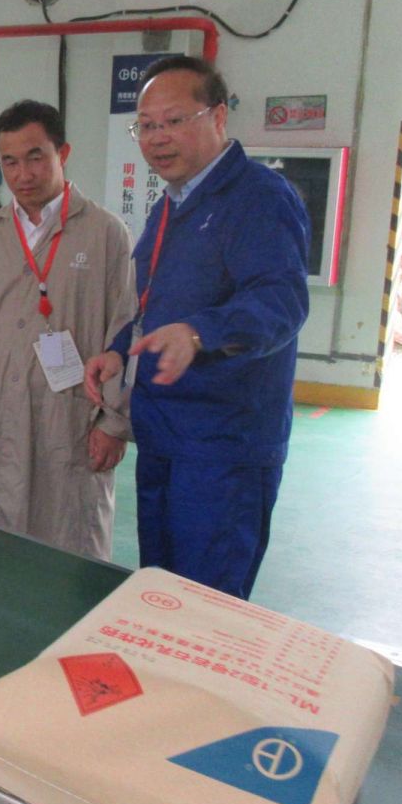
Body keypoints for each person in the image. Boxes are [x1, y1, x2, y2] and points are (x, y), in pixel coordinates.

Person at [82, 55, 309, 599]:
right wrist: (119, 350)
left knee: (207, 607)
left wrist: (200, 332)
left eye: (175, 120)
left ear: (219, 117)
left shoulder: (259, 198)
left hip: (223, 447)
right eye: (147, 125)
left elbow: (280, 301)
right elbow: (153, 304)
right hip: (164, 436)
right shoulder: (172, 205)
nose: (157, 137)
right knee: (163, 595)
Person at [0, 100, 135, 560]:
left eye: (35, 157)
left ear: (63, 153)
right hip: (0, 416)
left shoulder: (106, 235)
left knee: (76, 542)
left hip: (74, 418)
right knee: (5, 537)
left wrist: (115, 423)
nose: (23, 174)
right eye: (9, 162)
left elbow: (126, 331)